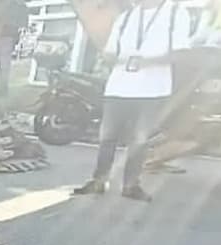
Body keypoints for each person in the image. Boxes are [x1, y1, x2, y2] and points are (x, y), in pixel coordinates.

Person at [73, 0, 191, 201]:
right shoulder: (127, 16)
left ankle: (131, 185)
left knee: (140, 140)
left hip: (152, 89)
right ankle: (98, 181)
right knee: (106, 137)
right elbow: (111, 50)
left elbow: (180, 53)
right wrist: (110, 58)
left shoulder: (176, 12)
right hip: (119, 86)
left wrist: (146, 61)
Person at [0, 0, 29, 98]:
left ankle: (0, 91)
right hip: (5, 37)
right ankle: (1, 91)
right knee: (3, 65)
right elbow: (23, 26)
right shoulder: (21, 6)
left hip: (3, 36)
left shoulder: (6, 4)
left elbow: (22, 27)